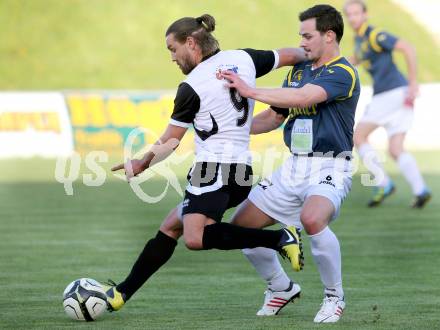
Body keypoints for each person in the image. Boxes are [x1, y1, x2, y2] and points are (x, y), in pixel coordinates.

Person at [105, 14, 307, 312]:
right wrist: (315, 61)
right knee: (172, 226)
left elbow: (171, 141)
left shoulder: (192, 85)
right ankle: (121, 293)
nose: (172, 58)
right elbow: (293, 55)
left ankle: (280, 237)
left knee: (195, 238)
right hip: (241, 173)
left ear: (191, 43)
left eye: (173, 50)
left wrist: (142, 162)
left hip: (211, 171)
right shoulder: (244, 59)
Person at [221, 4, 360, 323]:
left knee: (312, 220)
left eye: (307, 36)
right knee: (242, 228)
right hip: (294, 165)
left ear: (329, 36)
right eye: (300, 36)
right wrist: (229, 129)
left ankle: (334, 297)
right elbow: (273, 116)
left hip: (330, 166)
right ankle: (280, 287)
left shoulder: (343, 72)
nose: (302, 42)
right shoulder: (298, 71)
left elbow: (303, 99)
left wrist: (249, 90)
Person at [343, 0, 431, 208]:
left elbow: (407, 48)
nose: (353, 17)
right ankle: (421, 190)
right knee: (395, 148)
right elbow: (354, 58)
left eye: (357, 13)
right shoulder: (360, 40)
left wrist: (412, 82)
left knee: (358, 136)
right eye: (350, 14)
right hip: (397, 96)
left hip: (391, 94)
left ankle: (383, 183)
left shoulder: (375, 35)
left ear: (366, 14)